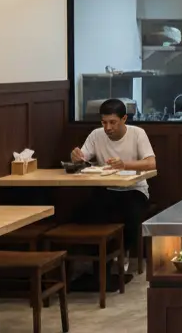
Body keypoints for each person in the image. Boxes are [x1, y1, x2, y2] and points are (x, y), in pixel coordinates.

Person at [71, 99, 156, 268]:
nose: (108, 127)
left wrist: (124, 164)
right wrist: (76, 157)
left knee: (131, 214)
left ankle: (122, 252)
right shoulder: (96, 135)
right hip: (106, 188)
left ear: (124, 119)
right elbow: (82, 159)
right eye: (104, 122)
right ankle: (99, 262)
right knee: (82, 214)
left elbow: (151, 163)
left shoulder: (137, 133)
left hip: (134, 189)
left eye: (113, 122)